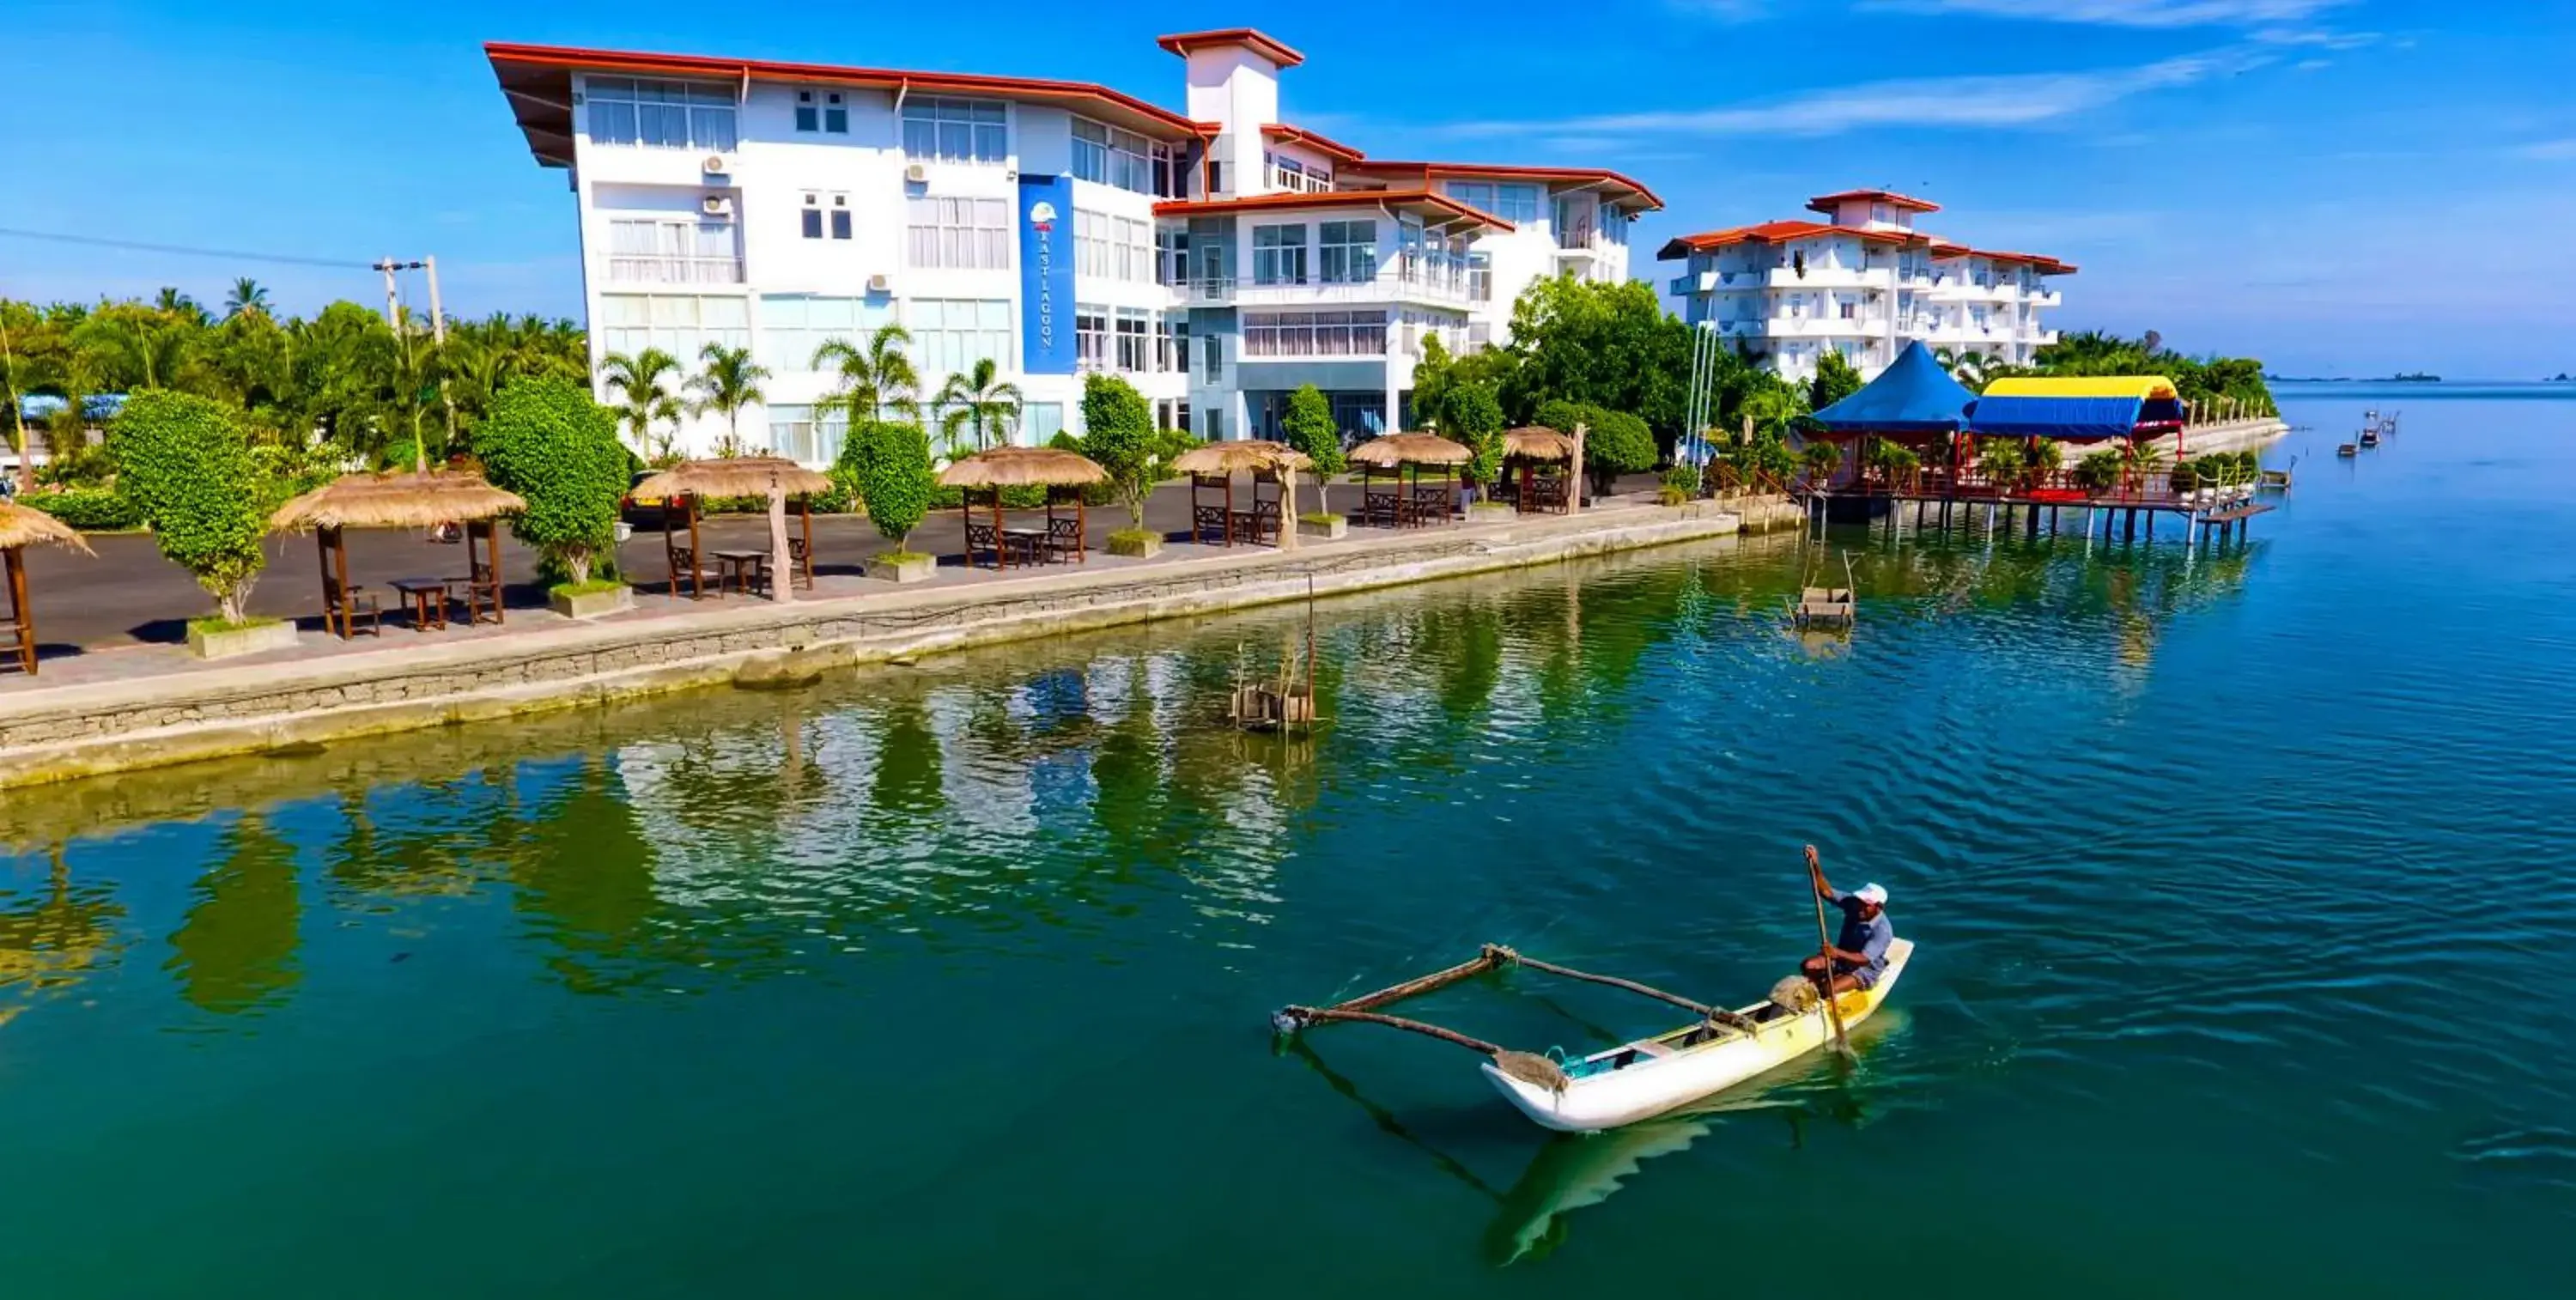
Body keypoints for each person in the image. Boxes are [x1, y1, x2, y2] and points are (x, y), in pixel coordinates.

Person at [1802, 847, 1893, 996]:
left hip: (1864, 970)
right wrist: (1815, 865)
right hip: (1841, 960)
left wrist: (1836, 953)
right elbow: (1826, 892)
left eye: (1866, 904)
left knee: (1828, 989)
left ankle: (1829, 991)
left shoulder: (1882, 930)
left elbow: (1864, 959)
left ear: (1878, 907)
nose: (1860, 906)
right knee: (1808, 965)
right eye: (1860, 901)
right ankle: (1816, 990)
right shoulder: (1854, 905)